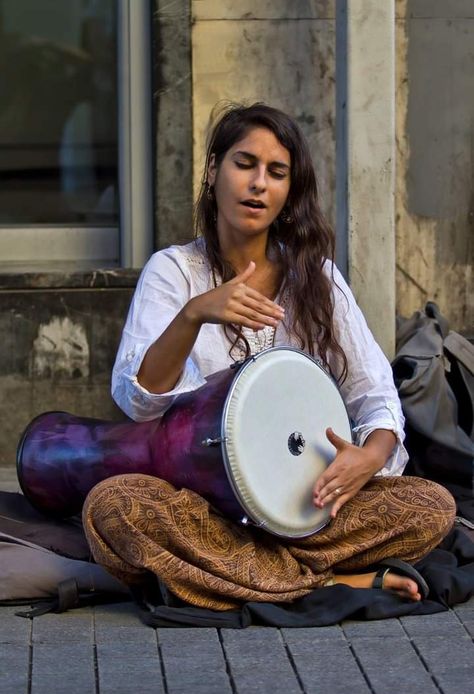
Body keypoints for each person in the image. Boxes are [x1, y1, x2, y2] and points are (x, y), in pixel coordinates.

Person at [82, 103, 455, 611]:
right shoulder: (173, 271)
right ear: (214, 171)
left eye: (276, 173)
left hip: (307, 503)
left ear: (288, 193)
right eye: (244, 164)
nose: (258, 183)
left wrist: (367, 458)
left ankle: (243, 575)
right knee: (114, 508)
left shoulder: (316, 278)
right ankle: (333, 582)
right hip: (206, 505)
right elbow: (138, 402)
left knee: (432, 507)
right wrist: (194, 315)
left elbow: (375, 394)